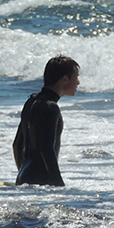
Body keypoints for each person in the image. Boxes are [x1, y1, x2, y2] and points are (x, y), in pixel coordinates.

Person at [12, 56, 80, 186]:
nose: (78, 83)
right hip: (41, 181)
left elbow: (16, 145)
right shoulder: (50, 108)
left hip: (24, 177)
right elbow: (46, 149)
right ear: (65, 79)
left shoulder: (31, 102)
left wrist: (23, 175)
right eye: (76, 77)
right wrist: (58, 184)